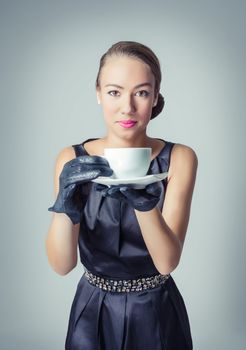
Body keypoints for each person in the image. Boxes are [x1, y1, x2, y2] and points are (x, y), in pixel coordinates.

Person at [46, 41, 198, 350]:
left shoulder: (179, 157)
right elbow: (62, 266)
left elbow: (167, 262)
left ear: (155, 97)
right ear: (99, 93)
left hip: (155, 309)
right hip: (92, 310)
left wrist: (145, 205)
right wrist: (65, 206)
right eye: (115, 92)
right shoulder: (71, 159)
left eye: (141, 92)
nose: (127, 107)